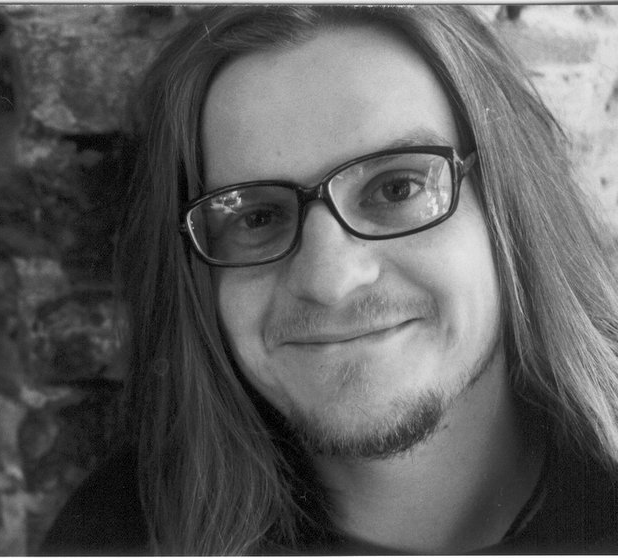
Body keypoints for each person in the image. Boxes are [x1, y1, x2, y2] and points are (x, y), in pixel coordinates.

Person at [41, 5, 618, 555]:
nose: (329, 280)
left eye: (396, 188)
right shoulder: (118, 535)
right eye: (256, 217)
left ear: (508, 201)